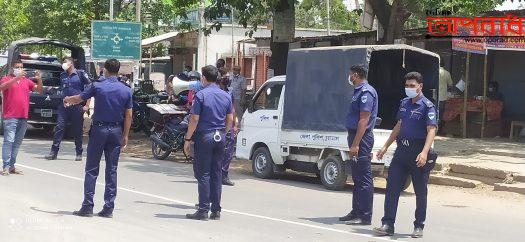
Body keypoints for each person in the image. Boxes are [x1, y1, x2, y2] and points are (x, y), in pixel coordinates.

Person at [64, 59, 133, 218]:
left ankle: (87, 206)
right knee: (112, 170)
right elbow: (129, 114)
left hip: (100, 130)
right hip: (116, 130)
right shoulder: (126, 90)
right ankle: (108, 208)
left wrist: (67, 99)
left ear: (105, 70)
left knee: (92, 169)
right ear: (118, 70)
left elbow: (80, 98)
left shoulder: (97, 85)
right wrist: (126, 135)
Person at [373, 72, 438, 238]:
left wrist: (424, 152)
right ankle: (387, 224)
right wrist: (385, 146)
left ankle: (419, 226)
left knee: (420, 192)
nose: (409, 88)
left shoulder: (427, 106)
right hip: (401, 152)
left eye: (412, 86)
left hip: (418, 153)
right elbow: (399, 125)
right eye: (407, 86)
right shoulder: (404, 103)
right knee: (392, 188)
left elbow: (432, 130)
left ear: (420, 87)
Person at [184, 65, 234, 220]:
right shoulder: (225, 95)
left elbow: (194, 119)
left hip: (204, 136)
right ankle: (216, 210)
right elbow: (230, 119)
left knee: (203, 173)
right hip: (220, 136)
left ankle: (203, 209)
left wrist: (187, 138)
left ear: (204, 78)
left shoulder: (201, 95)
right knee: (217, 173)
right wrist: (223, 133)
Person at [339, 65, 378, 225]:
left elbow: (364, 120)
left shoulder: (366, 92)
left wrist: (355, 144)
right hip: (355, 136)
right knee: (356, 177)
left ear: (356, 75)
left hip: (361, 138)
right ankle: (356, 211)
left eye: (350, 75)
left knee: (363, 178)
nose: (349, 78)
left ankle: (365, 215)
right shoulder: (359, 91)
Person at [0, 60, 43, 176]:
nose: (20, 69)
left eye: (21, 67)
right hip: (10, 117)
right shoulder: (7, 78)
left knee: (17, 143)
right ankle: (5, 167)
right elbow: (2, 87)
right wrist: (16, 78)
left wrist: (39, 79)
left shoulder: (26, 81)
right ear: (12, 69)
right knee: (9, 141)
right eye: (17, 67)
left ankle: (12, 166)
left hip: (23, 117)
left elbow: (39, 89)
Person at [45, 57, 91, 161]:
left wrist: (87, 105)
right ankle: (53, 152)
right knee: (59, 128)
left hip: (77, 106)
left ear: (71, 63)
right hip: (64, 106)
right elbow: (62, 89)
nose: (63, 64)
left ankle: (79, 153)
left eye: (65, 62)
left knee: (77, 130)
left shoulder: (80, 74)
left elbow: (89, 89)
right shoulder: (63, 75)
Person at [218, 70, 237, 186]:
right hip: (217, 124)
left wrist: (235, 125)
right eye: (225, 77)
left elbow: (233, 110)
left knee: (228, 152)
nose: (227, 79)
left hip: (228, 125)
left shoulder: (230, 93)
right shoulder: (214, 92)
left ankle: (224, 175)